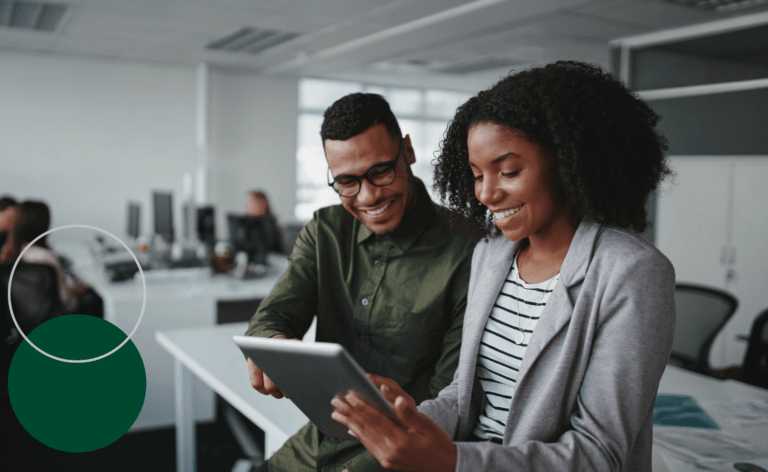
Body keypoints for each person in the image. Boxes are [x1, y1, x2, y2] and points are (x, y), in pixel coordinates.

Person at [330, 61, 676, 472]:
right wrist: (409, 419)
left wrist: (453, 459)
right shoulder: (491, 254)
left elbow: (600, 454)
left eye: (508, 171)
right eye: (477, 175)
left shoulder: (632, 272)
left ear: (566, 162)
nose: (487, 194)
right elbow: (465, 394)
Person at [244, 93, 477, 472]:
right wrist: (270, 345)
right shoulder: (325, 231)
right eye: (347, 182)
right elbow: (273, 316)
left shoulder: (469, 251)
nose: (368, 196)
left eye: (381, 171)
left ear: (408, 150)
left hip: (396, 454)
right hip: (318, 441)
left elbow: (449, 401)